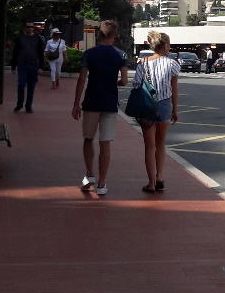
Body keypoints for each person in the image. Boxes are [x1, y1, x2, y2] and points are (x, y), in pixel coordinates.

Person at [71, 20, 129, 196]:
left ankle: (89, 174)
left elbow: (82, 80)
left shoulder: (89, 54)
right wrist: (114, 83)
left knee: (88, 138)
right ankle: (102, 183)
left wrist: (76, 104)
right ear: (115, 35)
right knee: (105, 143)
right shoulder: (121, 55)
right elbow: (124, 81)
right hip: (110, 103)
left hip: (91, 102)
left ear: (99, 34)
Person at [137, 30, 180, 194]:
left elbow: (136, 86)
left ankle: (151, 183)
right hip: (164, 105)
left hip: (147, 105)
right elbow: (174, 89)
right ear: (166, 45)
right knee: (161, 143)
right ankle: (160, 176)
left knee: (149, 146)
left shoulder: (142, 63)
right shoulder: (172, 64)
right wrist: (175, 109)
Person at [10, 22, 45, 113]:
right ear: (24, 28)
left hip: (33, 65)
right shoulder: (20, 38)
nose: (30, 28)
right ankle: (19, 104)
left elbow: (40, 53)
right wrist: (13, 66)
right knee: (21, 84)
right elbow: (15, 52)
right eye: (28, 27)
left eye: (32, 27)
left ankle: (28, 106)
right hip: (22, 64)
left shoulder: (37, 39)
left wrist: (41, 67)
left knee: (31, 87)